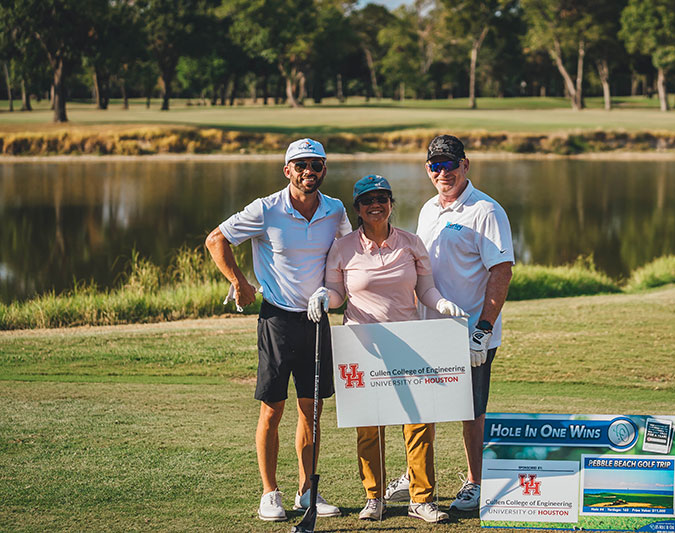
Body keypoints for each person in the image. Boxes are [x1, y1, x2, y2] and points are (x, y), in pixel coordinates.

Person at [307, 174, 467, 524]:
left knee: (419, 423)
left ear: (391, 203)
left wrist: (442, 305)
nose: (375, 205)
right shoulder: (343, 247)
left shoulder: (410, 243)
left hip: (410, 341)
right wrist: (323, 295)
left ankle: (421, 499)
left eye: (382, 198)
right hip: (363, 345)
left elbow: (425, 290)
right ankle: (374, 497)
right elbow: (337, 296)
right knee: (369, 426)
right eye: (367, 200)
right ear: (358, 209)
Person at [205, 138, 350, 522]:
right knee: (273, 408)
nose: (309, 172)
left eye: (315, 165)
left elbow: (348, 252)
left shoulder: (334, 210)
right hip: (277, 318)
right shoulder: (266, 209)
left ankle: (307, 492)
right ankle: (270, 493)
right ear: (287, 170)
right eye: (300, 165)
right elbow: (216, 240)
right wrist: (239, 282)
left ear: (324, 169)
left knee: (312, 409)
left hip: (317, 318)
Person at [386, 135, 514, 512]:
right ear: (428, 170)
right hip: (429, 328)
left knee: (470, 411)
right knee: (424, 408)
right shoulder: (428, 209)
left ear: (465, 165)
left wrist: (484, 328)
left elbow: (502, 271)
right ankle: (417, 475)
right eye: (435, 166)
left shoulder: (486, 210)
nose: (443, 172)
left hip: (472, 333)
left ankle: (476, 482)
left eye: (450, 164)